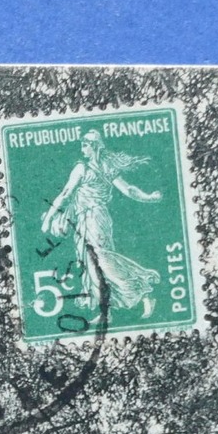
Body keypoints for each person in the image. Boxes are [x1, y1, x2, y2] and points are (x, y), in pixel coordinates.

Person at [40, 129, 164, 319]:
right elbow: (128, 190)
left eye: (86, 144)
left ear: (95, 147)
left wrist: (48, 218)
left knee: (101, 261)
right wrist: (149, 198)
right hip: (89, 219)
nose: (83, 147)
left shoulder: (86, 168)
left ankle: (142, 288)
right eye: (82, 143)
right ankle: (106, 311)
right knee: (93, 267)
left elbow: (66, 194)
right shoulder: (100, 168)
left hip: (94, 219)